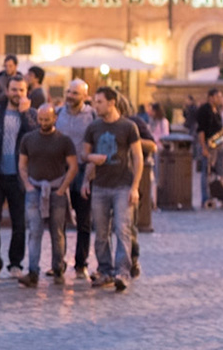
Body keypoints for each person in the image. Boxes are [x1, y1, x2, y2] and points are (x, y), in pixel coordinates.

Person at [81, 87, 143, 293]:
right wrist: (87, 176)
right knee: (100, 232)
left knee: (122, 229)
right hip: (100, 186)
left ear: (112, 102)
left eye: (99, 102)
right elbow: (84, 155)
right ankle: (105, 270)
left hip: (122, 186)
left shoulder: (128, 127)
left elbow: (138, 157)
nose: (95, 106)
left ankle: (122, 272)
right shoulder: (93, 127)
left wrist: (135, 187)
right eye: (94, 101)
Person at [15, 105, 77, 287]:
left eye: (47, 120)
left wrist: (62, 188)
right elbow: (22, 165)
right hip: (35, 189)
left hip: (56, 189)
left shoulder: (64, 140)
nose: (43, 123)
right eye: (40, 120)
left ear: (54, 118)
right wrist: (28, 185)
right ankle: (33, 272)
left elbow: (73, 166)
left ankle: (58, 269)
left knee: (57, 233)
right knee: (35, 232)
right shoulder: (28, 139)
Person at [0, 77, 33, 277]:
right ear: (7, 91)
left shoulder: (32, 115)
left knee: (19, 222)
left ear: (26, 92)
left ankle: (15, 264)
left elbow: (34, 138)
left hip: (19, 176)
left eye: (21, 90)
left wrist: (25, 114)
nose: (17, 93)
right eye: (14, 89)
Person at [54, 80, 97, 276]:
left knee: (83, 219)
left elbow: (95, 144)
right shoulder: (58, 113)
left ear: (85, 96)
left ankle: (81, 263)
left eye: (75, 93)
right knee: (58, 219)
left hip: (82, 170)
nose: (70, 96)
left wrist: (90, 174)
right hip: (60, 169)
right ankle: (58, 261)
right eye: (69, 92)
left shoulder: (92, 116)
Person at [193, 88, 223, 206]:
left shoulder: (217, 110)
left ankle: (220, 195)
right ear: (211, 97)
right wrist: (203, 147)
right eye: (217, 97)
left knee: (220, 172)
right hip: (209, 146)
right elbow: (201, 130)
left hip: (218, 145)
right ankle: (206, 198)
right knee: (206, 172)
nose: (219, 99)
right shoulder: (204, 110)